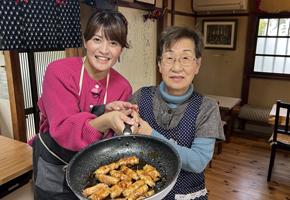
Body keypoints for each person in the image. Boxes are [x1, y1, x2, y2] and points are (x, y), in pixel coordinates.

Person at [28, 10, 138, 200]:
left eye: (113, 43)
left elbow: (113, 142)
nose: (104, 50)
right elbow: (63, 130)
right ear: (85, 41)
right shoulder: (59, 71)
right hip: (55, 165)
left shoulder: (123, 86)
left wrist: (126, 122)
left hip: (95, 170)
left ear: (121, 49)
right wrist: (107, 118)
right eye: (97, 39)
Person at [128, 26, 225, 199]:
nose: (177, 67)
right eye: (169, 58)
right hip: (142, 193)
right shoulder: (140, 97)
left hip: (186, 194)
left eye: (186, 58)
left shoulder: (207, 108)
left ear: (197, 64)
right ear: (159, 64)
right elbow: (123, 144)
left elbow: (197, 162)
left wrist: (150, 133)